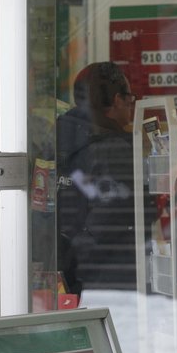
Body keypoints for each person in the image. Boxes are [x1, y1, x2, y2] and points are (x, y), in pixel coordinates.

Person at [56, 61, 146, 291]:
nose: (131, 107)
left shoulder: (58, 137)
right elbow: (124, 213)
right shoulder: (115, 148)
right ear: (117, 100)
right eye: (129, 99)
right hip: (107, 274)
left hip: (62, 267)